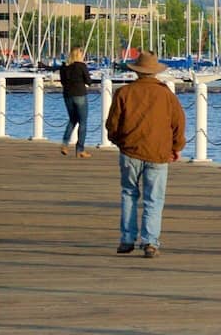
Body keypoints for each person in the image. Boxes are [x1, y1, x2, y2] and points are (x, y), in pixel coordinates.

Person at [105, 51, 186, 258]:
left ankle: (127, 238)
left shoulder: (124, 93)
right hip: (158, 152)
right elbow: (178, 123)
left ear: (137, 72)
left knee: (129, 194)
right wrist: (176, 147)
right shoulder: (166, 94)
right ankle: (150, 242)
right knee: (154, 199)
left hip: (130, 150)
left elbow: (112, 124)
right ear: (154, 72)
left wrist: (119, 141)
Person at [59, 48, 93, 158]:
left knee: (73, 119)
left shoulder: (64, 67)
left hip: (67, 95)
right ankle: (80, 150)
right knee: (83, 122)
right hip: (80, 94)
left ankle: (65, 144)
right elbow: (88, 81)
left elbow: (63, 82)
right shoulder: (81, 66)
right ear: (79, 55)